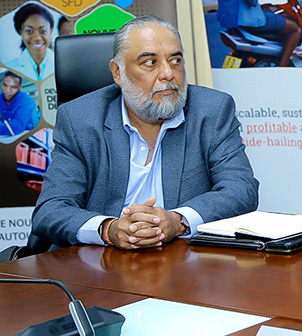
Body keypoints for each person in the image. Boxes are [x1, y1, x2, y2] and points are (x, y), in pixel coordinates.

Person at [31, 15, 259, 249]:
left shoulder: (212, 111)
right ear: (117, 72)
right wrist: (108, 229)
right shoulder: (80, 119)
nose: (168, 74)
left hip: (184, 264)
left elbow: (241, 190)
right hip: (98, 265)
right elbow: (51, 210)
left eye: (176, 60)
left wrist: (178, 221)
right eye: (150, 62)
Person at [6, 2, 55, 81]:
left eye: (42, 31)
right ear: (20, 32)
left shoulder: (65, 65)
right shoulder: (8, 68)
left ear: (51, 31)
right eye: (29, 31)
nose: (37, 38)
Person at [0, 71, 37, 136]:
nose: (8, 90)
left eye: (13, 87)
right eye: (5, 85)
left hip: (23, 137)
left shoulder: (27, 101)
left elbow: (15, 128)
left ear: (20, 87)